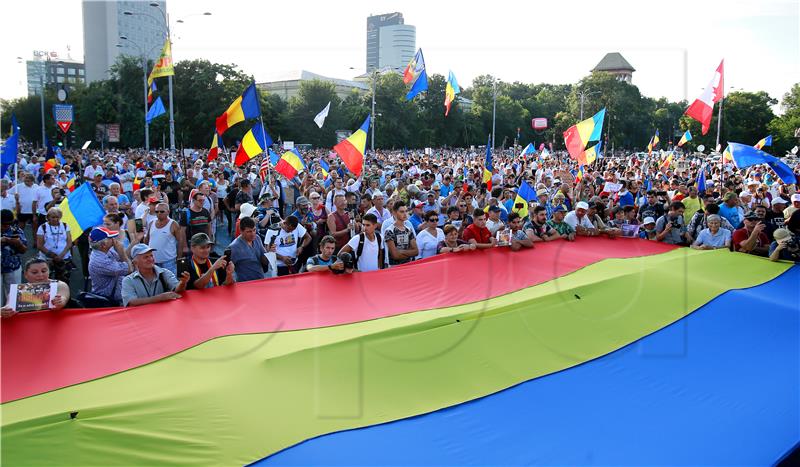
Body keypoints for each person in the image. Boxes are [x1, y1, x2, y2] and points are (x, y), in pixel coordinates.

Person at [121, 244, 190, 307]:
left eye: (151, 255)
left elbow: (178, 291)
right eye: (146, 257)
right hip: (141, 318)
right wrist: (160, 298)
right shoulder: (128, 280)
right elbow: (131, 303)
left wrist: (183, 282)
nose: (150, 259)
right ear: (135, 262)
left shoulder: (165, 273)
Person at [1, 258, 70, 318]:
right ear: (25, 274)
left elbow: (63, 298)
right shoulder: (17, 290)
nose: (40, 275)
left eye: (44, 271)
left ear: (49, 272)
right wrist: (6, 311)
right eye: (34, 272)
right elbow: (9, 306)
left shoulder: (60, 285)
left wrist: (60, 302)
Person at [88, 226, 133, 304]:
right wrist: (121, 251)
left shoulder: (104, 251)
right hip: (107, 301)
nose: (113, 239)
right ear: (103, 245)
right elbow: (129, 269)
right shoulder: (101, 261)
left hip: (113, 296)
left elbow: (122, 260)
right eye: (110, 238)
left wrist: (134, 241)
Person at [35, 207, 74, 283]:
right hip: (47, 259)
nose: (55, 219)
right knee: (45, 282)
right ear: (48, 217)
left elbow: (69, 242)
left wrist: (61, 255)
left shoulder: (65, 226)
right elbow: (39, 245)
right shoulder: (43, 227)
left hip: (64, 259)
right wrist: (53, 256)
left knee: (63, 282)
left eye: (57, 217)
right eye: (53, 217)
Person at [229, 216, 270, 282]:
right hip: (245, 285)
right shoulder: (234, 247)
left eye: (254, 230)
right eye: (249, 231)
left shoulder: (257, 238)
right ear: (241, 231)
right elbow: (227, 271)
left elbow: (265, 261)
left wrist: (269, 252)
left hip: (260, 281)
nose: (253, 234)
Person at [145, 203, 182, 274]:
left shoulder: (173, 224)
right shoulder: (151, 223)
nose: (159, 213)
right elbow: (147, 239)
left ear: (168, 212)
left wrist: (179, 258)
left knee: (170, 284)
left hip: (169, 262)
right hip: (153, 261)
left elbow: (180, 242)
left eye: (162, 211)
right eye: (157, 211)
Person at [1, 209, 28, 305]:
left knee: (13, 297)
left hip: (13, 267)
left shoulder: (16, 230)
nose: (7, 226)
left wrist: (18, 243)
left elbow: (24, 250)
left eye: (9, 224)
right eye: (4, 224)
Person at [385, 200, 418, 267]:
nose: (405, 214)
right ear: (394, 212)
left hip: (408, 265)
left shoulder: (408, 229)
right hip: (395, 267)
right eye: (402, 212)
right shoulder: (389, 231)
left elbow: (416, 251)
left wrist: (401, 251)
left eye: (406, 211)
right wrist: (409, 252)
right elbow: (395, 255)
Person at [179, 189, 212, 256]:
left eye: (203, 200)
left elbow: (209, 228)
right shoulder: (186, 214)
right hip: (192, 244)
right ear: (193, 201)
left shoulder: (205, 212)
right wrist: (185, 246)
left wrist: (209, 241)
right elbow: (182, 231)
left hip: (204, 242)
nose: (202, 202)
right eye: (200, 200)